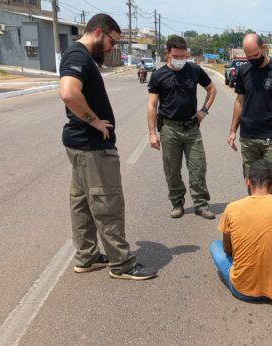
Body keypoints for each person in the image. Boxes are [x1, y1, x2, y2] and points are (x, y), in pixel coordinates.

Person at [58, 13, 156, 280]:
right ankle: (121, 264)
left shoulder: (77, 55)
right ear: (99, 33)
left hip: (80, 145)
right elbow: (68, 92)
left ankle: (87, 257)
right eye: (113, 42)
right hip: (92, 147)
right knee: (107, 204)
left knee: (82, 203)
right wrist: (95, 122)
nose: (112, 48)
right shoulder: (78, 56)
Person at [211, 160, 272, 301]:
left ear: (247, 181)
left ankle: (245, 273)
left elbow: (227, 250)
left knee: (215, 245)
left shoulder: (232, 208)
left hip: (243, 290)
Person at [147, 35, 217, 220]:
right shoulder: (159, 75)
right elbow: (152, 105)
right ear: (168, 53)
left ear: (187, 54)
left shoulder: (194, 70)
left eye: (183, 56)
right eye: (176, 56)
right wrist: (152, 133)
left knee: (198, 167)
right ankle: (177, 203)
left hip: (192, 128)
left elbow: (212, 90)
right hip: (169, 129)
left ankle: (201, 205)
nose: (180, 59)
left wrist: (203, 111)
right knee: (172, 169)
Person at [227, 33, 272, 196]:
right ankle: (256, 212)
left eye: (256, 55)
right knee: (252, 183)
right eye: (248, 56)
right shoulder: (244, 71)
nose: (252, 59)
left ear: (264, 48)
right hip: (248, 138)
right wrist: (232, 131)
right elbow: (239, 102)